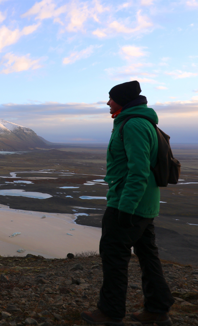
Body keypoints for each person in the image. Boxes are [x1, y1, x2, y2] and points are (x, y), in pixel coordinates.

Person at [81, 81, 174, 325]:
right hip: (144, 205)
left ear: (122, 100)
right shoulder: (140, 121)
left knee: (114, 256)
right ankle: (157, 309)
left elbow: (138, 171)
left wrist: (125, 208)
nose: (108, 102)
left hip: (128, 204)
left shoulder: (133, 124)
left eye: (111, 98)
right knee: (147, 255)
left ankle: (110, 312)